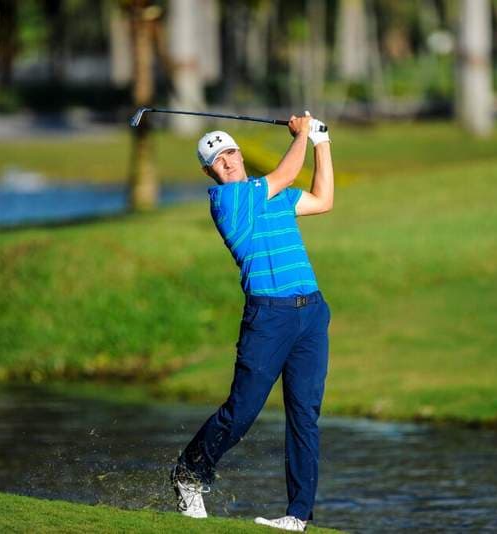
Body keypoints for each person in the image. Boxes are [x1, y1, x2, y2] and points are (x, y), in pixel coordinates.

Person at [170, 112, 333, 532]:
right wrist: (301, 135)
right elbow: (286, 170)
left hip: (310, 314)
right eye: (217, 161)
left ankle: (298, 516)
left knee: (304, 415)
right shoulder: (228, 202)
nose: (227, 163)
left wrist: (321, 141)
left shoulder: (274, 194)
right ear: (209, 172)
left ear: (240, 155)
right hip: (268, 318)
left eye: (230, 154)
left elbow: (323, 199)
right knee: (242, 410)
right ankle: (189, 473)